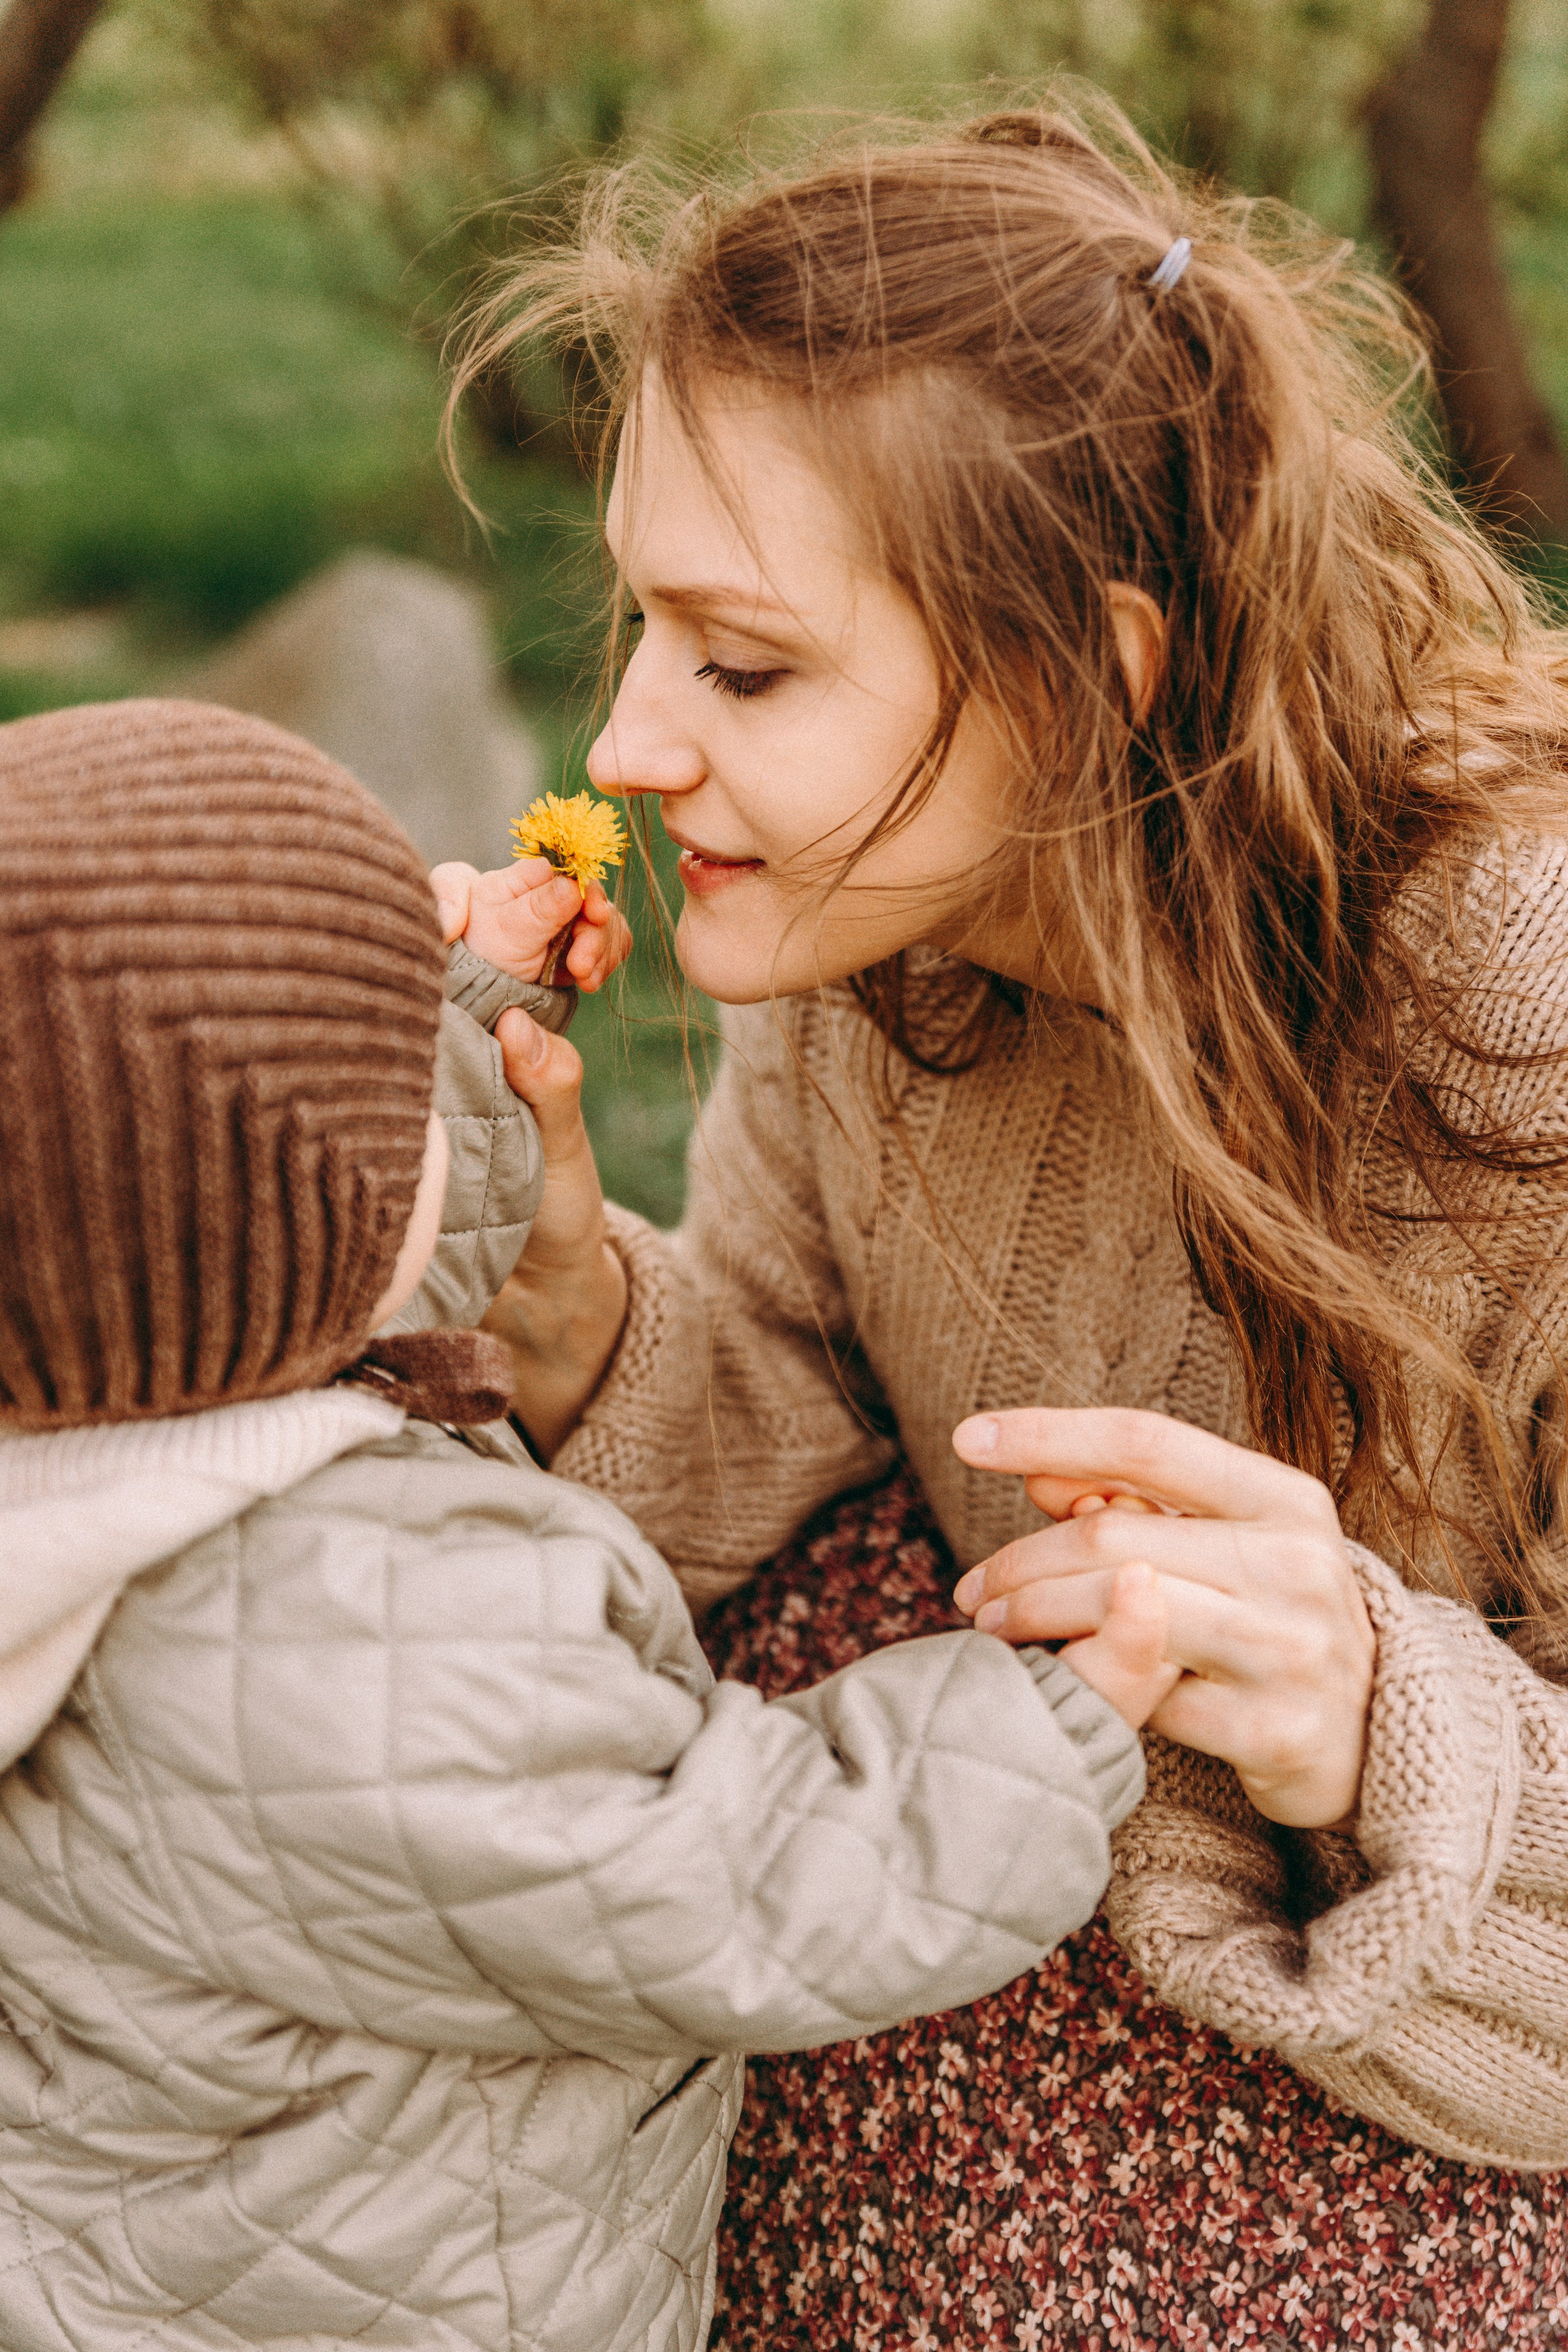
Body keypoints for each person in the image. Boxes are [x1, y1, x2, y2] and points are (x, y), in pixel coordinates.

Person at [450, 94, 1568, 2346]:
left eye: (741, 665)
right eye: (641, 627)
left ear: (1099, 684)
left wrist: (1364, 1701)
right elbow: (806, 1425)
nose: (629, 743)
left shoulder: (1518, 1032)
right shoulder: (885, 951)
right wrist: (560, 1272)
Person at [0, 695, 1157, 2352]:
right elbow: (737, 1883)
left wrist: (467, 1020)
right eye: (393, 1054)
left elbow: (294, 1234)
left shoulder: (98, 1385)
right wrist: (1059, 1706)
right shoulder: (370, 1630)